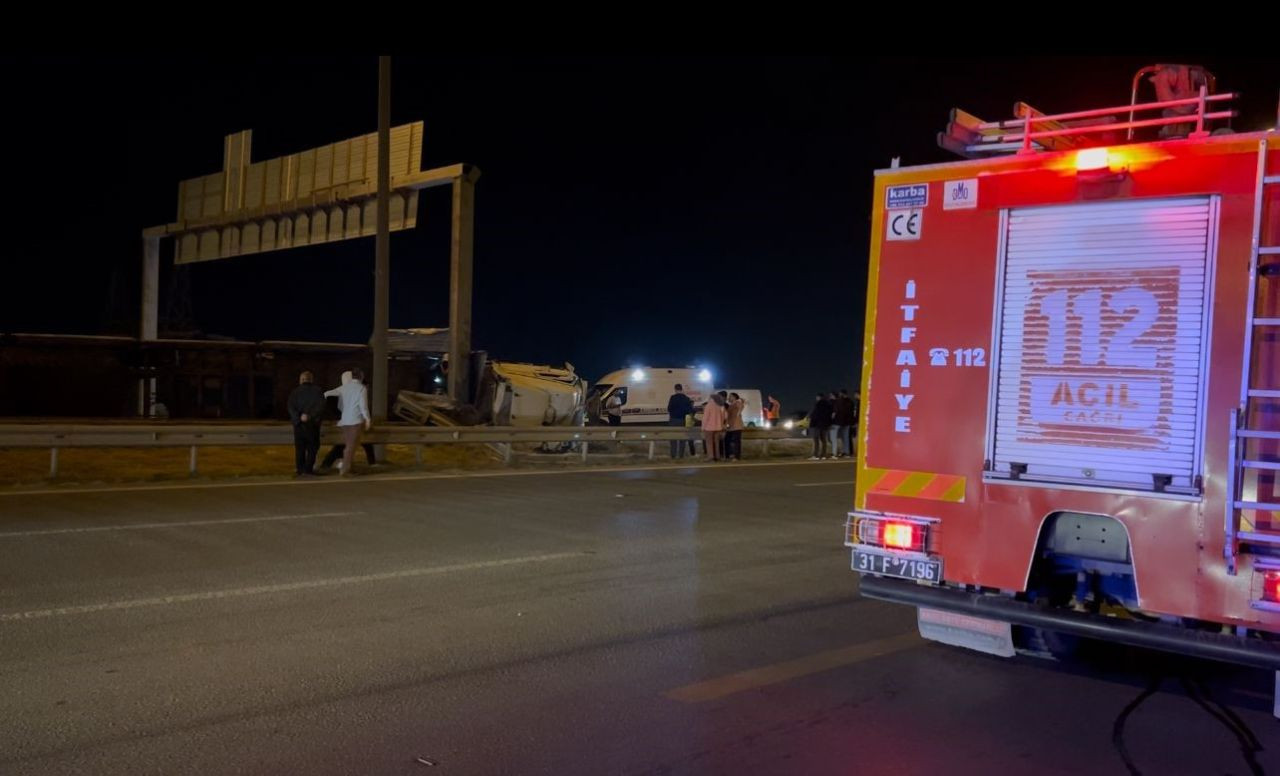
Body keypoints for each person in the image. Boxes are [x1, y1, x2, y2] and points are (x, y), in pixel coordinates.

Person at [320, 371, 377, 470]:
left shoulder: (342, 392)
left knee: (345, 445)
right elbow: (362, 408)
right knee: (346, 446)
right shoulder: (353, 392)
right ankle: (338, 466)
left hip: (346, 422)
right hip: (351, 422)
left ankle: (329, 464)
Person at [287, 370, 326, 477]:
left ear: (301, 380)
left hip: (299, 425)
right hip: (312, 425)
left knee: (300, 448)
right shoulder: (318, 391)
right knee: (313, 447)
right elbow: (321, 407)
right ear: (311, 380)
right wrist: (310, 416)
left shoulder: (295, 392)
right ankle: (308, 469)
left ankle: (300, 469)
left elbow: (291, 407)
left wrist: (298, 418)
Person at [666, 384, 695, 458]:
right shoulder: (686, 398)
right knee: (682, 438)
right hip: (683, 420)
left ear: (675, 389)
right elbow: (690, 410)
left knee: (673, 438)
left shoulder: (673, 398)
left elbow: (669, 409)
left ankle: (673, 455)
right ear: (681, 389)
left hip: (673, 420)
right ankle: (681, 455)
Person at [702, 392, 727, 461]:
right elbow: (725, 416)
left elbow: (705, 418)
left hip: (709, 428)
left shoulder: (708, 405)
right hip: (719, 427)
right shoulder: (721, 406)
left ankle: (711, 456)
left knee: (709, 442)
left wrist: (703, 427)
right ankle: (717, 456)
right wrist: (721, 424)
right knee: (717, 442)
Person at [808, 392, 834, 459]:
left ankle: (815, 455)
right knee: (824, 440)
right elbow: (830, 415)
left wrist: (811, 421)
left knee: (816, 440)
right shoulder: (828, 404)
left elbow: (815, 414)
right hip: (825, 425)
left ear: (818, 397)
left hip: (817, 424)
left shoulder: (818, 404)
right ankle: (823, 455)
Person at [833, 388, 856, 459]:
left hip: (840, 422)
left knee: (841, 438)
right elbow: (852, 413)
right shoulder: (851, 402)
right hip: (848, 422)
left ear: (842, 394)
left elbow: (837, 411)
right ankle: (847, 452)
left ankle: (842, 452)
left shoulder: (839, 401)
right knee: (846, 438)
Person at [725, 392, 745, 461]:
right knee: (728, 440)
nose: (729, 398)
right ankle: (731, 454)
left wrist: (738, 413)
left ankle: (736, 456)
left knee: (736, 441)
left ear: (734, 397)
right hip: (731, 426)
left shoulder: (737, 402)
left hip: (737, 425)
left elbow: (741, 406)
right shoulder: (731, 405)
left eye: (730, 396)